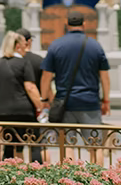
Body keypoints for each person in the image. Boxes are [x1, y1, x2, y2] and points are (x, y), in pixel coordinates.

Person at [40, 13, 110, 161]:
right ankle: (96, 180)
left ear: (66, 24)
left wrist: (44, 98)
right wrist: (106, 101)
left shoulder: (56, 45)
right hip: (90, 102)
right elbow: (104, 76)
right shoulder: (95, 46)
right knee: (95, 146)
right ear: (84, 24)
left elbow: (46, 76)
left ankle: (69, 180)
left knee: (67, 145)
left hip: (65, 104)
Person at [0, 30, 42, 162]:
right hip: (24, 110)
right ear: (18, 46)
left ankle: (7, 175)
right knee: (34, 144)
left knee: (9, 145)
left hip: (4, 111)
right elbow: (30, 87)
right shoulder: (23, 63)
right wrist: (39, 105)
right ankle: (38, 175)